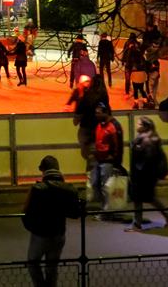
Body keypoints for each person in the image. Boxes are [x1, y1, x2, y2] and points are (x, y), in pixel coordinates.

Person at [22, 155, 81, 287]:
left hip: (40, 233)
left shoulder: (37, 189)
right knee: (52, 266)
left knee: (33, 262)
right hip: (59, 233)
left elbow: (26, 211)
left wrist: (31, 226)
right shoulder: (69, 189)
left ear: (43, 170)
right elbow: (75, 213)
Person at [125, 117, 168, 231]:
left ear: (145, 126)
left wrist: (138, 173)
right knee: (148, 198)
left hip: (144, 175)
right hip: (144, 174)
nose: (137, 125)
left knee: (139, 198)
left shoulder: (147, 141)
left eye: (139, 124)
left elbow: (148, 160)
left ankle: (137, 224)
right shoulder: (144, 138)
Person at [91, 103, 124, 212]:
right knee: (95, 183)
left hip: (108, 161)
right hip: (99, 160)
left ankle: (107, 210)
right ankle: (104, 207)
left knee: (106, 186)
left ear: (106, 113)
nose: (96, 115)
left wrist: (116, 163)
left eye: (98, 113)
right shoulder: (100, 124)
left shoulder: (114, 126)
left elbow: (118, 147)